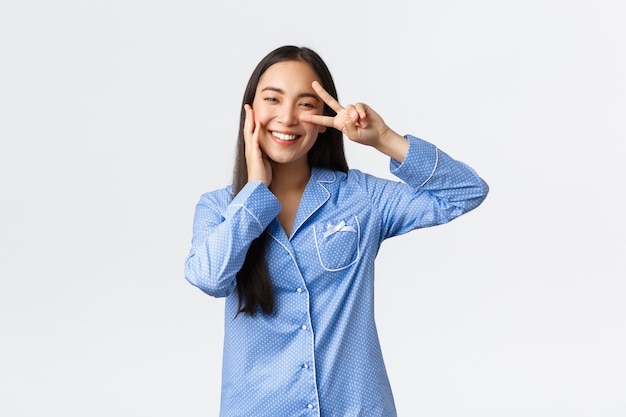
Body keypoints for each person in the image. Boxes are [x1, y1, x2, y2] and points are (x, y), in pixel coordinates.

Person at [184, 45, 489, 417]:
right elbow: (209, 278)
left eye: (306, 104)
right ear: (250, 112)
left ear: (325, 116)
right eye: (273, 99)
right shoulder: (219, 208)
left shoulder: (360, 197)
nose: (288, 117)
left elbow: (465, 192)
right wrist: (254, 196)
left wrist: (384, 138)